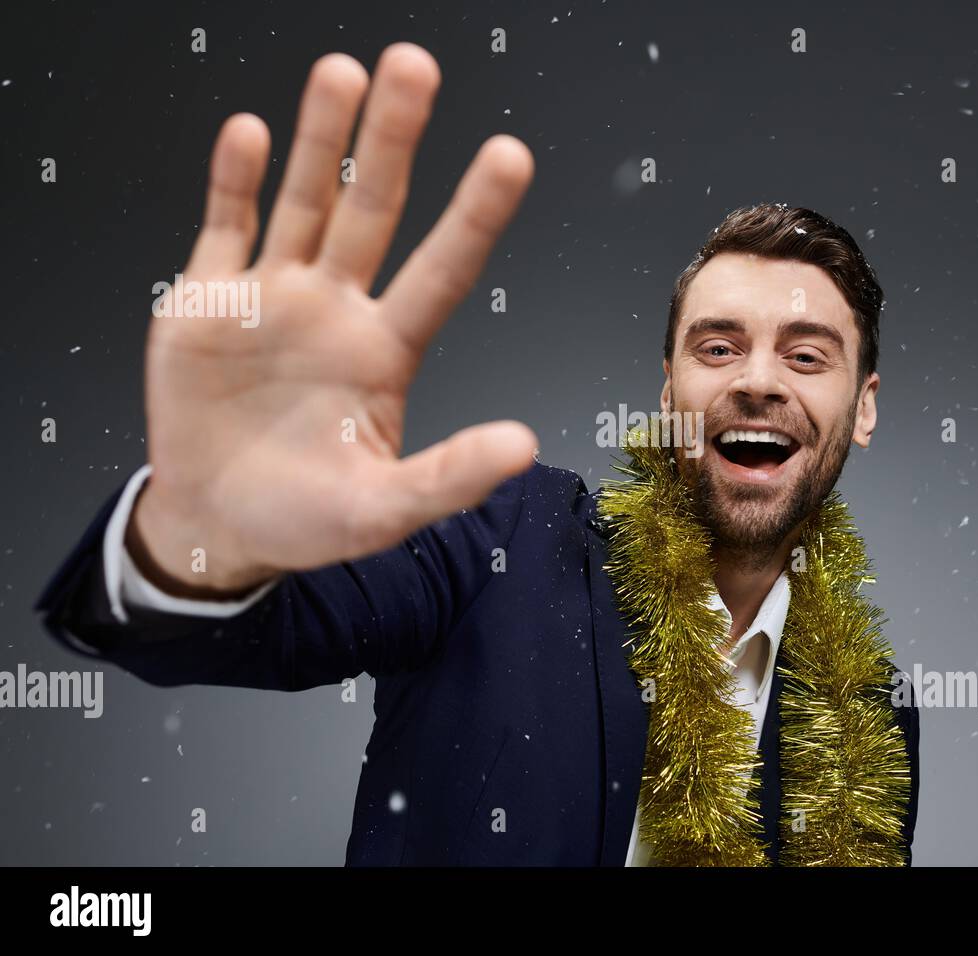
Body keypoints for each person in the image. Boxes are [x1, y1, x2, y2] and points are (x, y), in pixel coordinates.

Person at [35, 42, 919, 866]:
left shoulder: (870, 712)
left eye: (807, 355)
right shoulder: (504, 534)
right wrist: (206, 532)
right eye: (718, 348)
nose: (758, 381)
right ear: (667, 392)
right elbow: (247, 632)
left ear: (864, 407)